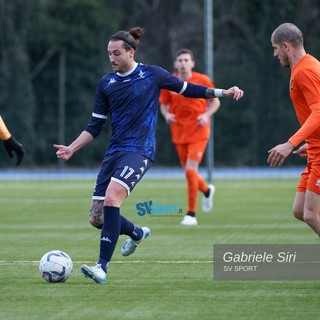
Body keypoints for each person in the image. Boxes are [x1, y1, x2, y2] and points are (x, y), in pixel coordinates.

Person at [54, 26, 244, 284]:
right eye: (109, 53)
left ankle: (102, 267)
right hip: (114, 153)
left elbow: (188, 89)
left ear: (131, 52)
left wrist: (223, 92)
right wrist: (71, 148)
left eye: (117, 53)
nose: (111, 58)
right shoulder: (106, 84)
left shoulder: (151, 74)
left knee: (112, 200)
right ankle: (137, 233)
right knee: (96, 217)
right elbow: (94, 126)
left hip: (140, 150)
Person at [268, 22, 320, 237]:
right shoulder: (303, 67)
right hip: (315, 149)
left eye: (275, 48)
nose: (275, 54)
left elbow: (319, 110)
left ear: (286, 46)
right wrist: (311, 142)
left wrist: (291, 143)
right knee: (300, 211)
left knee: (310, 214)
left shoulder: (305, 71)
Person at [160, 48, 220, 226]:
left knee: (190, 169)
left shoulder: (202, 80)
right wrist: (166, 115)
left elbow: (215, 101)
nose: (183, 63)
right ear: (175, 63)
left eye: (186, 60)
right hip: (179, 132)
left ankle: (191, 214)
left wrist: (206, 115)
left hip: (199, 131)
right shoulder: (170, 81)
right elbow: (164, 105)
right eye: (180, 60)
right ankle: (207, 190)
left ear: (192, 63)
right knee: (189, 172)